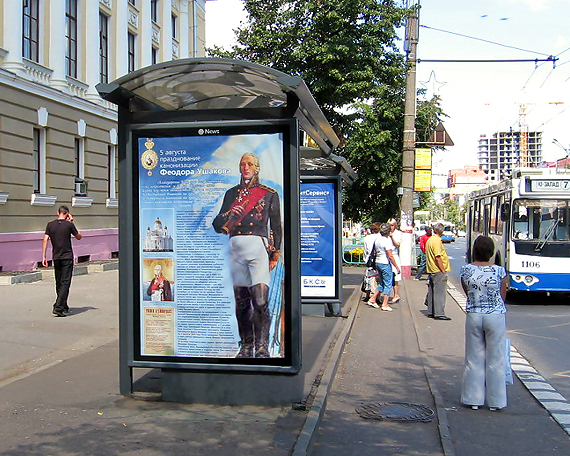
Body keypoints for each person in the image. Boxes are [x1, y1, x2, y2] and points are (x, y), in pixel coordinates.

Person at [213, 152, 282, 358]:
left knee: (260, 300)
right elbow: (217, 225)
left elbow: (276, 227)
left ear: (257, 168)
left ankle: (262, 346)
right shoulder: (231, 194)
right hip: (236, 251)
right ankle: (246, 345)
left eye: (249, 164)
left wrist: (275, 253)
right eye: (242, 164)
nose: (245, 167)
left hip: (258, 249)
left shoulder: (268, 194)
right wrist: (229, 213)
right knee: (242, 302)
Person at [460, 235, 509, 411]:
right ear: (491, 252)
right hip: (495, 316)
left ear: (474, 251)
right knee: (496, 358)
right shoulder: (499, 271)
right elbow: (503, 295)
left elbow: (467, 291)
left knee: (474, 358)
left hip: (474, 315)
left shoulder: (466, 270)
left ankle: (473, 400)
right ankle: (496, 402)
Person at [42, 205, 82, 317]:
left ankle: (64, 306)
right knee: (65, 282)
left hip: (56, 257)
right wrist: (72, 222)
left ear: (57, 213)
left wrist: (44, 257)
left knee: (59, 282)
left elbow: (45, 240)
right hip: (67, 257)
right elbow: (79, 237)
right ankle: (58, 307)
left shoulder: (50, 224)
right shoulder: (69, 225)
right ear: (68, 214)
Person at [367, 223, 401, 311]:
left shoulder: (378, 239)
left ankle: (373, 299)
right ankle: (385, 304)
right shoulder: (387, 241)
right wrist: (396, 267)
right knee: (388, 284)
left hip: (378, 262)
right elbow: (390, 256)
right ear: (388, 231)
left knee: (381, 282)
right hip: (385, 263)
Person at [425, 222, 451, 320]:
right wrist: (443, 270)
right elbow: (438, 257)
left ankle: (431, 311)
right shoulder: (436, 241)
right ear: (442, 231)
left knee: (432, 290)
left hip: (431, 268)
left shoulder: (430, 239)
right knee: (440, 292)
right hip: (438, 269)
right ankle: (439, 313)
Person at [362, 223, 380, 303]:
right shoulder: (380, 237)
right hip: (378, 260)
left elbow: (365, 250)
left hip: (369, 260)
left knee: (368, 278)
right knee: (378, 279)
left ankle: (367, 295)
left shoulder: (367, 238)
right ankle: (377, 297)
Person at [387, 218, 402, 303]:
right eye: (389, 225)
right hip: (387, 256)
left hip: (394, 255)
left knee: (395, 276)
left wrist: (392, 237)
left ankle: (396, 295)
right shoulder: (385, 233)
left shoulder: (397, 233)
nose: (390, 227)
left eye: (392, 225)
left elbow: (397, 245)